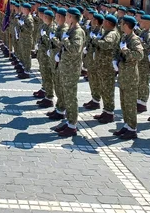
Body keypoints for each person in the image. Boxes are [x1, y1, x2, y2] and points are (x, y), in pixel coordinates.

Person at [51, 8, 85, 137]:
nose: (66, 18)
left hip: (71, 69)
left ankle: (72, 125)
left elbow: (75, 49)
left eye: (68, 16)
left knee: (71, 97)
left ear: (71, 17)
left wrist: (65, 41)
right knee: (66, 95)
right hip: (66, 67)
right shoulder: (71, 30)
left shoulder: (77, 32)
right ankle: (69, 121)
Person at [114, 15, 144, 140]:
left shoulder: (135, 39)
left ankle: (132, 128)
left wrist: (126, 51)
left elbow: (139, 55)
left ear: (126, 25)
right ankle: (127, 125)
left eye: (122, 24)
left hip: (131, 76)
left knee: (130, 103)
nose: (120, 26)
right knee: (124, 103)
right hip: (123, 75)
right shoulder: (125, 37)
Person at [91, 14, 120, 124]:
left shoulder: (112, 33)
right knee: (104, 89)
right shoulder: (107, 32)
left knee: (108, 89)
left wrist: (96, 40)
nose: (103, 23)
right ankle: (106, 110)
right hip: (103, 65)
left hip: (107, 66)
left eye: (105, 21)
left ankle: (109, 113)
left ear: (108, 23)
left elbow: (106, 44)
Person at [136, 14, 150, 113]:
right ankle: (139, 100)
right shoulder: (144, 32)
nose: (140, 23)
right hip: (141, 61)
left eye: (142, 21)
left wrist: (140, 43)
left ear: (147, 23)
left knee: (143, 82)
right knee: (140, 81)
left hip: (145, 62)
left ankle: (143, 102)